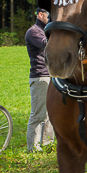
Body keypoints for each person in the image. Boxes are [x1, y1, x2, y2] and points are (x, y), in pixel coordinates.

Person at [25, 8, 54, 152]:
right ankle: (33, 147)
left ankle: (48, 142)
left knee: (50, 111)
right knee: (38, 113)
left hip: (50, 75)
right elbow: (45, 44)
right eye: (48, 16)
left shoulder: (47, 29)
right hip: (39, 76)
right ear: (40, 15)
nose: (50, 18)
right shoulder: (33, 31)